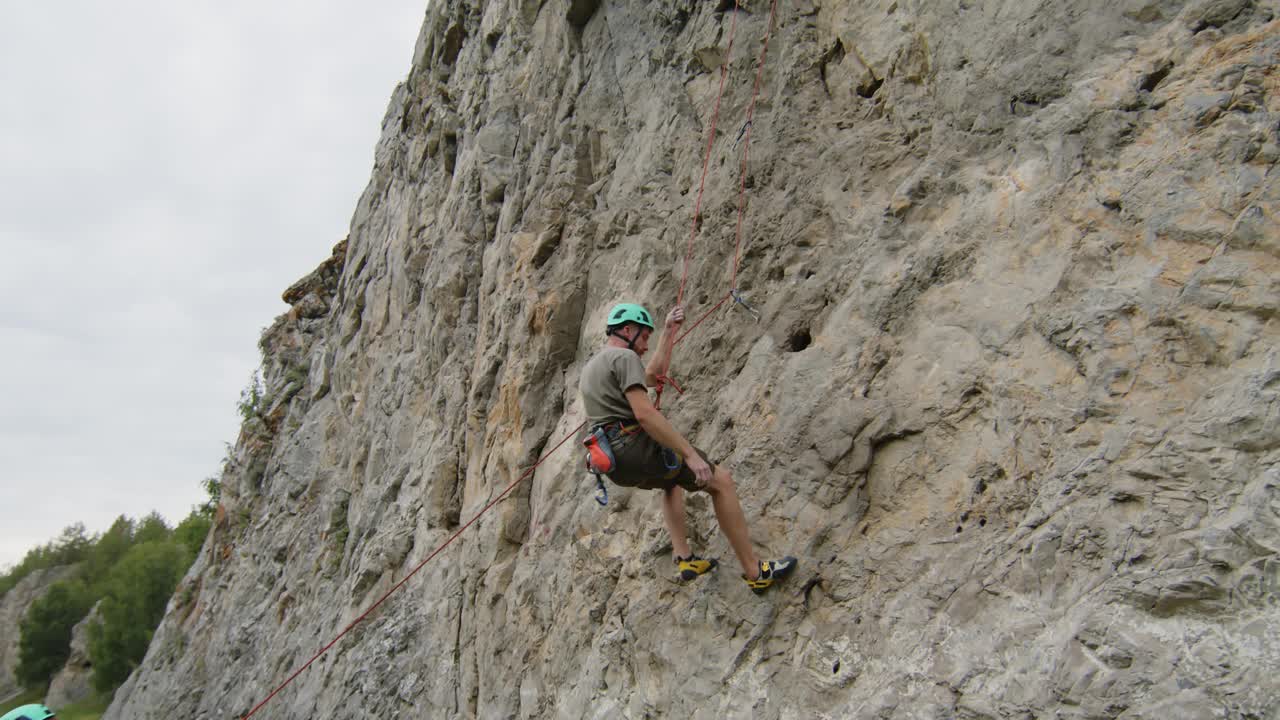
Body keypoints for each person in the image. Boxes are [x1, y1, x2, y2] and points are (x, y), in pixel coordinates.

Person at [579, 302, 796, 594]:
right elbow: (645, 413)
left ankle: (685, 558)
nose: (644, 346)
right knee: (721, 481)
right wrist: (691, 455)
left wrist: (669, 332)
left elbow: (653, 376)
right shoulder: (624, 357)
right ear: (628, 330)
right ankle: (755, 571)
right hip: (632, 446)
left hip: (614, 463)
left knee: (671, 481)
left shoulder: (594, 366)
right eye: (644, 337)